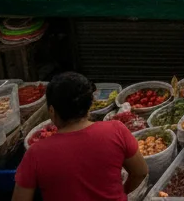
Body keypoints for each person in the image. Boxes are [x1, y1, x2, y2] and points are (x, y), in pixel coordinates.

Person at [12, 71, 149, 201]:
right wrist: (122, 193)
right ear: (89, 106)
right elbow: (141, 172)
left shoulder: (35, 153)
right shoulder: (116, 130)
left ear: (52, 111)